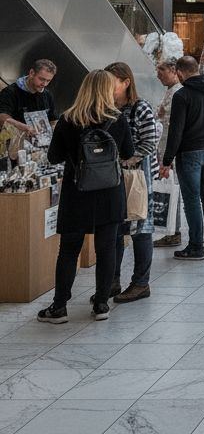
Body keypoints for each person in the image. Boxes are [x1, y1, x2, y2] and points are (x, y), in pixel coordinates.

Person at [37, 71, 134, 323]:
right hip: (110, 192)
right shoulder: (118, 119)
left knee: (69, 250)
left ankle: (59, 307)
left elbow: (54, 157)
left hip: (77, 192)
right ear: (107, 90)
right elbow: (128, 152)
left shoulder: (68, 119)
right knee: (107, 249)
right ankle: (101, 304)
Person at [160, 56, 204, 261]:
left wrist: (167, 160)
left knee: (192, 199)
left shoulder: (182, 95)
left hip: (189, 152)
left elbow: (176, 131)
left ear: (180, 73)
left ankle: (196, 246)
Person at [105, 62, 156, 304]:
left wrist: (127, 159)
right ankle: (112, 280)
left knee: (140, 229)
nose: (107, 86)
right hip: (113, 177)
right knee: (114, 229)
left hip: (137, 177)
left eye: (111, 81)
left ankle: (140, 283)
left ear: (126, 82)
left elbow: (149, 142)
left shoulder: (140, 108)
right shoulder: (107, 108)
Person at [153, 60, 183, 248]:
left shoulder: (178, 92)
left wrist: (167, 158)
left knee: (174, 191)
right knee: (172, 189)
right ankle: (171, 230)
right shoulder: (170, 91)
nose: (158, 76)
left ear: (173, 71)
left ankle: (174, 232)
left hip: (172, 152)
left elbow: (169, 119)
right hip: (166, 150)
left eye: (161, 71)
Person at [0, 58, 58, 132]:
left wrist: (55, 129)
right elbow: (2, 117)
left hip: (39, 138)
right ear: (31, 73)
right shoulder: (10, 92)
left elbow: (53, 119)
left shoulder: (47, 95)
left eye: (48, 81)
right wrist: (23, 127)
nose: (44, 84)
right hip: (13, 136)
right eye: (41, 79)